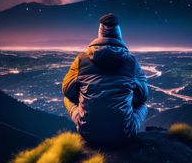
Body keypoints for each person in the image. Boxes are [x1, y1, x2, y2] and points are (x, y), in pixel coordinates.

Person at [62, 13, 148, 145]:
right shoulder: (131, 61)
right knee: (142, 104)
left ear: (99, 33)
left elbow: (67, 90)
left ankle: (89, 121)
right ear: (119, 34)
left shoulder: (81, 60)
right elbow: (143, 96)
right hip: (123, 135)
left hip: (89, 134)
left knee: (68, 98)